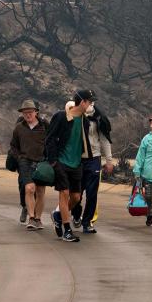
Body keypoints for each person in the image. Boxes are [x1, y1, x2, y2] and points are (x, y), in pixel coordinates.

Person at [46, 89, 96, 243]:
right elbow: (50, 138)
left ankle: (58, 215)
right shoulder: (61, 116)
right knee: (64, 193)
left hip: (77, 163)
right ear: (83, 102)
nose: (91, 105)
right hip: (61, 162)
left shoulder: (85, 121)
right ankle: (67, 230)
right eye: (90, 102)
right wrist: (53, 161)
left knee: (76, 197)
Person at [71, 103, 115, 234]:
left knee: (92, 193)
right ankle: (76, 213)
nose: (89, 105)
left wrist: (109, 160)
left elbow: (104, 140)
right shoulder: (74, 116)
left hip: (94, 159)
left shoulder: (98, 119)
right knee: (76, 192)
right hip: (77, 159)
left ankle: (87, 222)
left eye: (91, 102)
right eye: (87, 102)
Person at [9, 98, 49, 230]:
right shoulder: (19, 128)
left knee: (41, 191)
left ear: (36, 112)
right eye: (25, 112)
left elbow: (52, 142)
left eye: (30, 112)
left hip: (41, 162)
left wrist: (49, 158)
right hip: (25, 162)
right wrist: (19, 158)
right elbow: (13, 146)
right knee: (29, 188)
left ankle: (38, 218)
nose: (27, 114)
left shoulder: (45, 126)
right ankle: (31, 218)